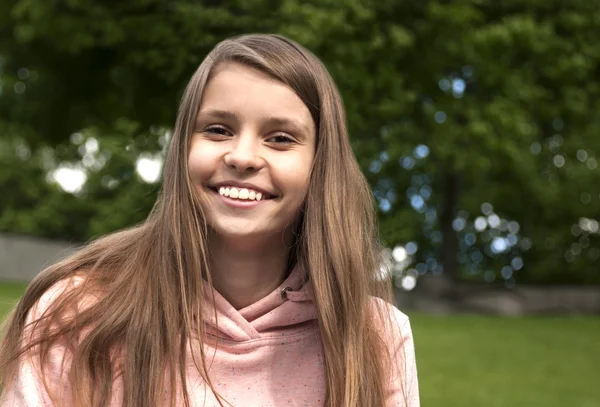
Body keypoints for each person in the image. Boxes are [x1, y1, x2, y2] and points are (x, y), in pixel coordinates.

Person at [0, 34, 419, 407]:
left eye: (280, 138)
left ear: (320, 165)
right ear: (183, 147)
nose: (242, 156)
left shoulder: (376, 336)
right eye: (218, 129)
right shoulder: (76, 312)